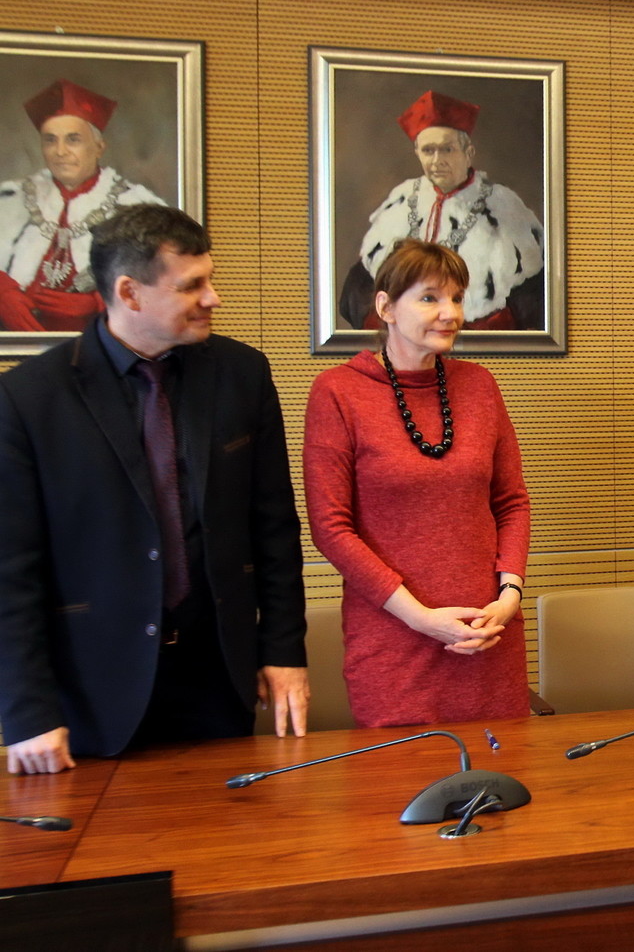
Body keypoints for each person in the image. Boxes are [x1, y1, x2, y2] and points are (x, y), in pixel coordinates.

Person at [0, 205, 307, 775]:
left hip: (219, 675)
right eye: (191, 286)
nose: (213, 298)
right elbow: (10, 571)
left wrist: (284, 650)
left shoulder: (242, 374)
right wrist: (26, 711)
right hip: (93, 687)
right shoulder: (29, 398)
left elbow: (274, 529)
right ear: (129, 293)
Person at [305, 239, 531, 727]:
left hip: (487, 632)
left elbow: (511, 502)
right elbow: (331, 527)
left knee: (504, 767)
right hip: (394, 639)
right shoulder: (338, 392)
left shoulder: (480, 385)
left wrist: (510, 594)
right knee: (401, 773)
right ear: (386, 307)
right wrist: (419, 617)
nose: (450, 313)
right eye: (430, 298)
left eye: (457, 298)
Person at [340, 90, 545, 332]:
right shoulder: (401, 200)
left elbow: (533, 296)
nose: (437, 160)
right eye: (428, 150)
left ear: (468, 153)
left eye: (447, 149)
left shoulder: (503, 207)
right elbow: (359, 289)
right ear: (417, 153)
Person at [0, 79, 166, 332]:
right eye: (50, 140)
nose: (60, 151)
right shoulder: (10, 198)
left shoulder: (138, 205)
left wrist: (97, 302)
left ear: (99, 147)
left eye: (73, 139)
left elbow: (165, 284)